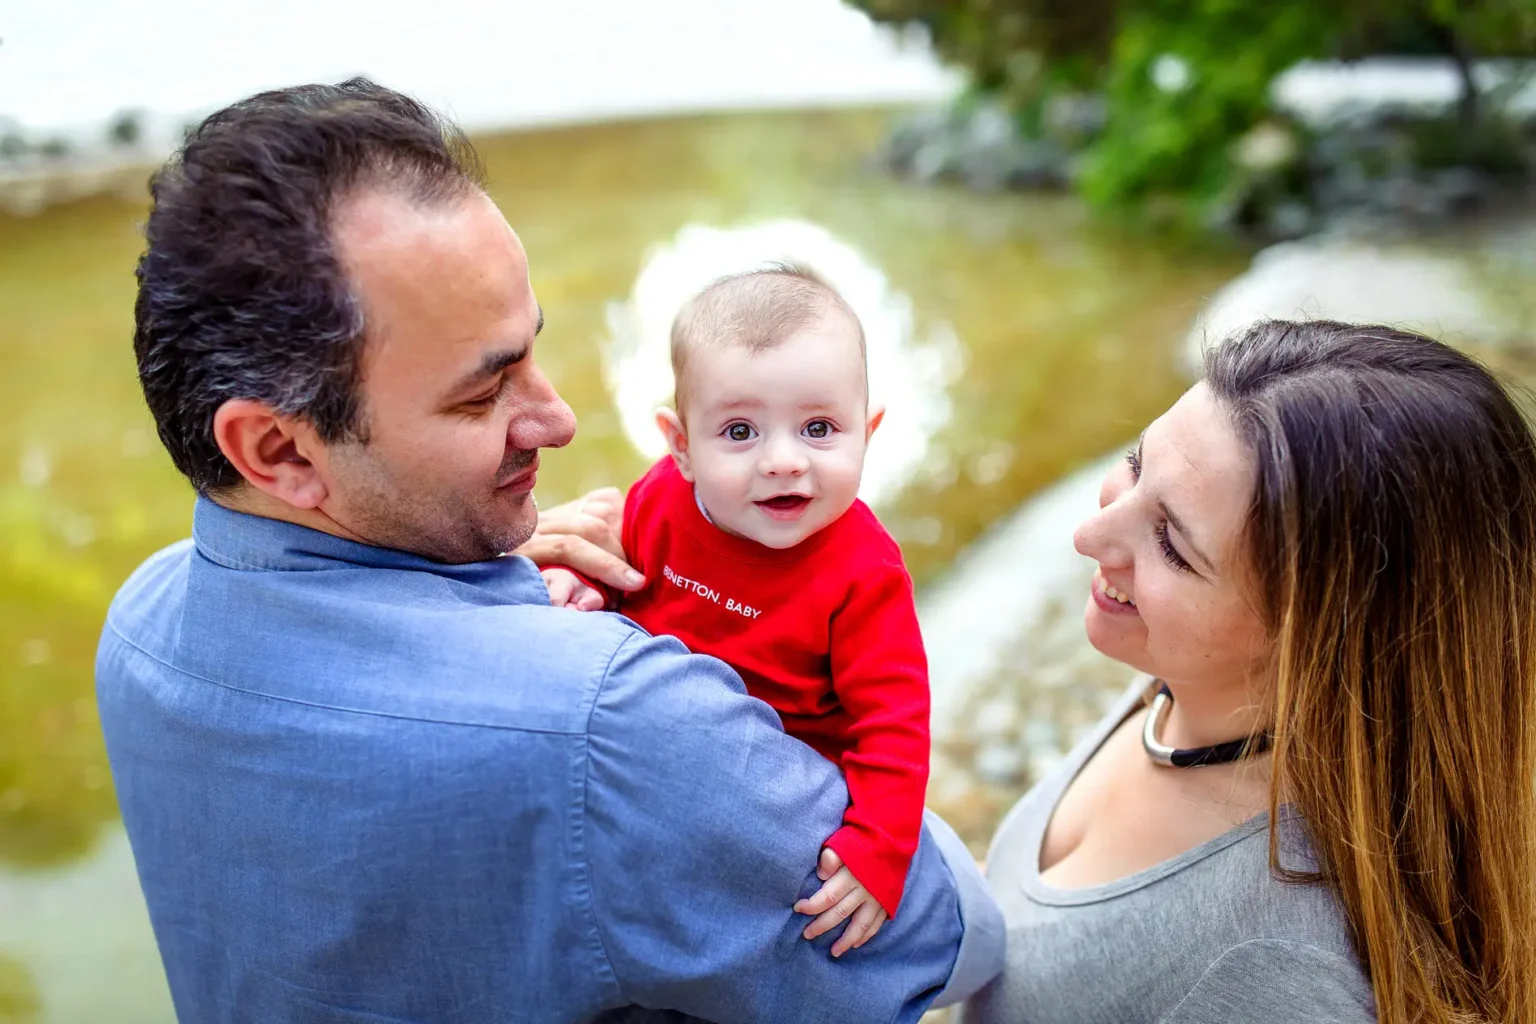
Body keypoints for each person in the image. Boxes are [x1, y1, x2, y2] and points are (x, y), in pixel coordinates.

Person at [95, 77, 1003, 1024]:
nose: (560, 418)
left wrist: (486, 592)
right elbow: (953, 936)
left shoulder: (141, 622)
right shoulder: (608, 723)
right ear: (280, 449)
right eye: (483, 394)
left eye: (532, 348)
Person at [959, 320, 1536, 1023]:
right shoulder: (1190, 686)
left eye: (1172, 545)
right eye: (1137, 464)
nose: (1089, 537)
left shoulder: (1276, 978)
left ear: (1323, 637)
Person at [544, 266, 928, 954]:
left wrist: (879, 852)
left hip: (781, 774)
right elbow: (619, 570)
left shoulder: (865, 570)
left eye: (818, 428)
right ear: (681, 446)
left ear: (867, 433)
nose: (783, 461)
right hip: (651, 748)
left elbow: (895, 723)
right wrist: (584, 585)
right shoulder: (660, 500)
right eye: (741, 432)